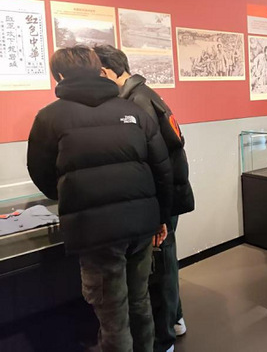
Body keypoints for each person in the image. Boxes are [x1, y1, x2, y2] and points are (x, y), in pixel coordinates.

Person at [27, 45, 173, 352]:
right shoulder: (133, 111)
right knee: (140, 302)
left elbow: (41, 173)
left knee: (112, 314)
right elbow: (162, 168)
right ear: (98, 70)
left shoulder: (49, 118)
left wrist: (72, 196)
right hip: (141, 224)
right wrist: (161, 217)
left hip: (95, 232)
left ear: (60, 75)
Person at [95, 45, 195, 352]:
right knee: (166, 263)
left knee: (160, 268)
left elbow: (155, 162)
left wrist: (157, 213)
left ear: (105, 72)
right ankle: (175, 320)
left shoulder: (136, 103)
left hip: (160, 199)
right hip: (165, 196)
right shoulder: (143, 95)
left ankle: (164, 337)